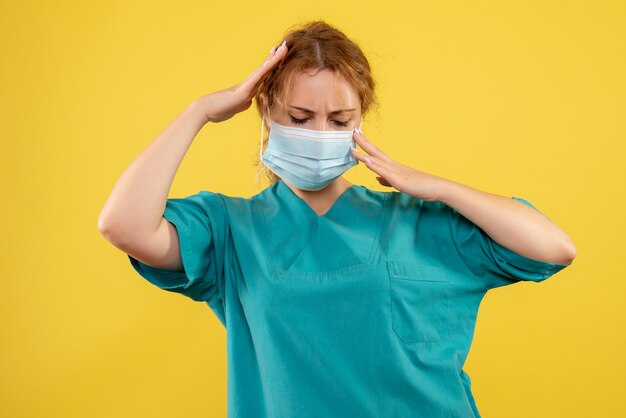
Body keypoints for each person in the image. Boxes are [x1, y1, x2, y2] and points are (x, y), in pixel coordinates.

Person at [98, 20, 576, 418]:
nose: (319, 133)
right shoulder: (229, 230)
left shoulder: (417, 221)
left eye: (340, 120)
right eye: (301, 118)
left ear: (361, 119)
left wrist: (438, 187)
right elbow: (123, 225)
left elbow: (554, 247)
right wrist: (199, 111)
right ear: (265, 111)